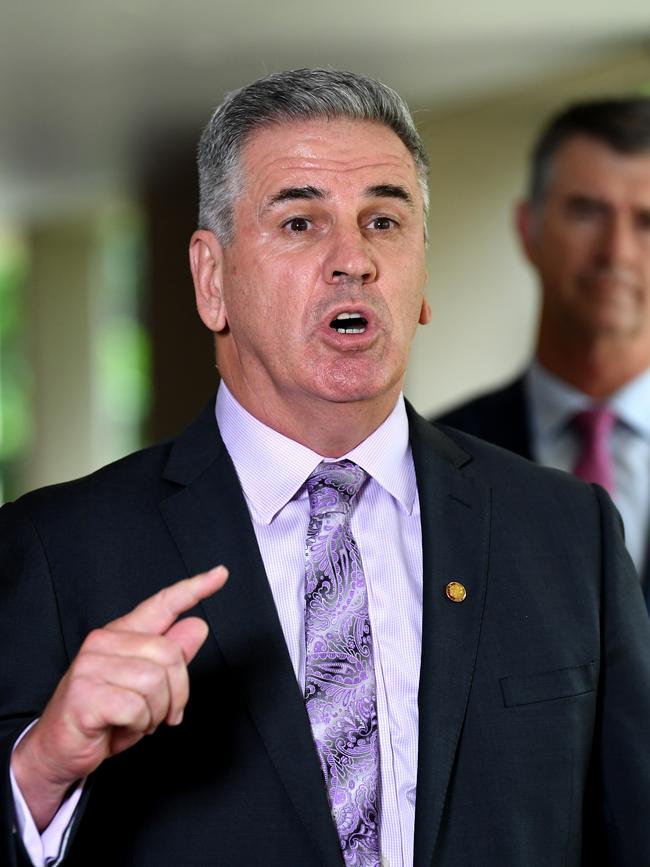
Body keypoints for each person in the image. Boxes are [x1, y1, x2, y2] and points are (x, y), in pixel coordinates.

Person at [1, 70, 649, 867]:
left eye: (383, 220)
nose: (354, 260)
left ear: (421, 278)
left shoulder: (567, 533)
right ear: (212, 280)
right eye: (301, 222)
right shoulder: (53, 548)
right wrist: (38, 770)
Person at [435, 98, 650, 604]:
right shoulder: (437, 458)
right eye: (586, 211)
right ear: (528, 228)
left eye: (646, 221)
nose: (615, 251)